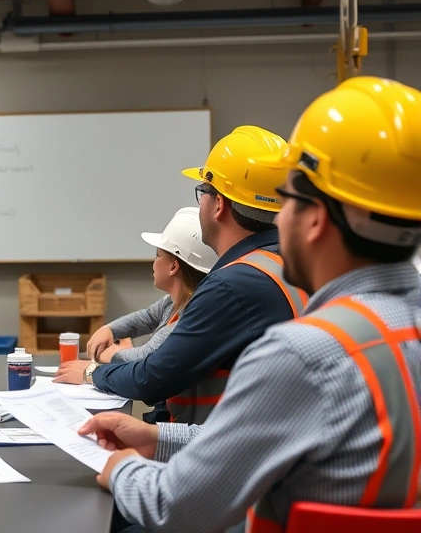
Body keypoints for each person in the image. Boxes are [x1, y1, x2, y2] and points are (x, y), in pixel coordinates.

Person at [80, 75, 421, 533]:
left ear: (315, 219)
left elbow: (175, 507)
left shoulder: (302, 354)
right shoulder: (399, 326)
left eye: (287, 201)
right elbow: (268, 438)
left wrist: (121, 467)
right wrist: (158, 437)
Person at [56, 126, 308, 424]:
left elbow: (153, 377)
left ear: (218, 204)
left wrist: (92, 373)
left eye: (203, 192)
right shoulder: (288, 265)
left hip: (217, 446)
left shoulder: (232, 286)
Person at [81, 207, 216, 366]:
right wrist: (110, 329)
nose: (154, 261)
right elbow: (148, 317)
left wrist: (111, 355)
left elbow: (148, 356)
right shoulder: (173, 302)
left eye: (158, 255)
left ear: (173, 267)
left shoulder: (186, 319)